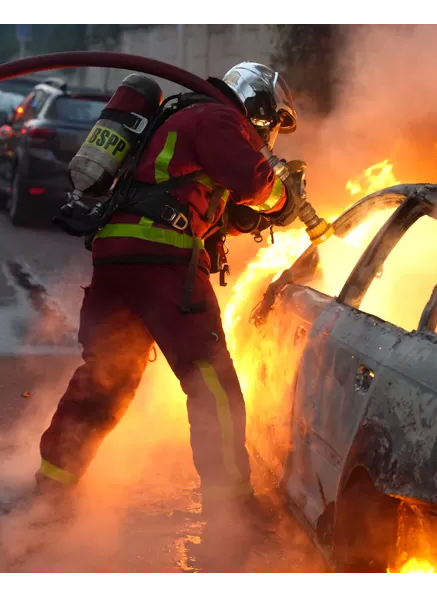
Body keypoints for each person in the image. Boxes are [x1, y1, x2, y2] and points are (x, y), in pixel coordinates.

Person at [37, 62, 301, 531]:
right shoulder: (219, 118)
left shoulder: (178, 117)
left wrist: (238, 218)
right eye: (270, 122)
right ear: (258, 107)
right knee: (210, 381)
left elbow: (195, 197)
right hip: (162, 258)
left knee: (106, 377)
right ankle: (232, 507)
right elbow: (256, 182)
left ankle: (52, 485)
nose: (266, 133)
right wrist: (285, 198)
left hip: (117, 254)